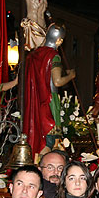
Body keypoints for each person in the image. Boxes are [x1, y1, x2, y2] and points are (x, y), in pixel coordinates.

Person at [23, 22, 76, 159]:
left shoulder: (33, 55)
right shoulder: (53, 56)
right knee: (49, 140)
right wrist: (70, 76)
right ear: (59, 40)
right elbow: (57, 81)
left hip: (35, 100)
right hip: (49, 100)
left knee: (39, 136)